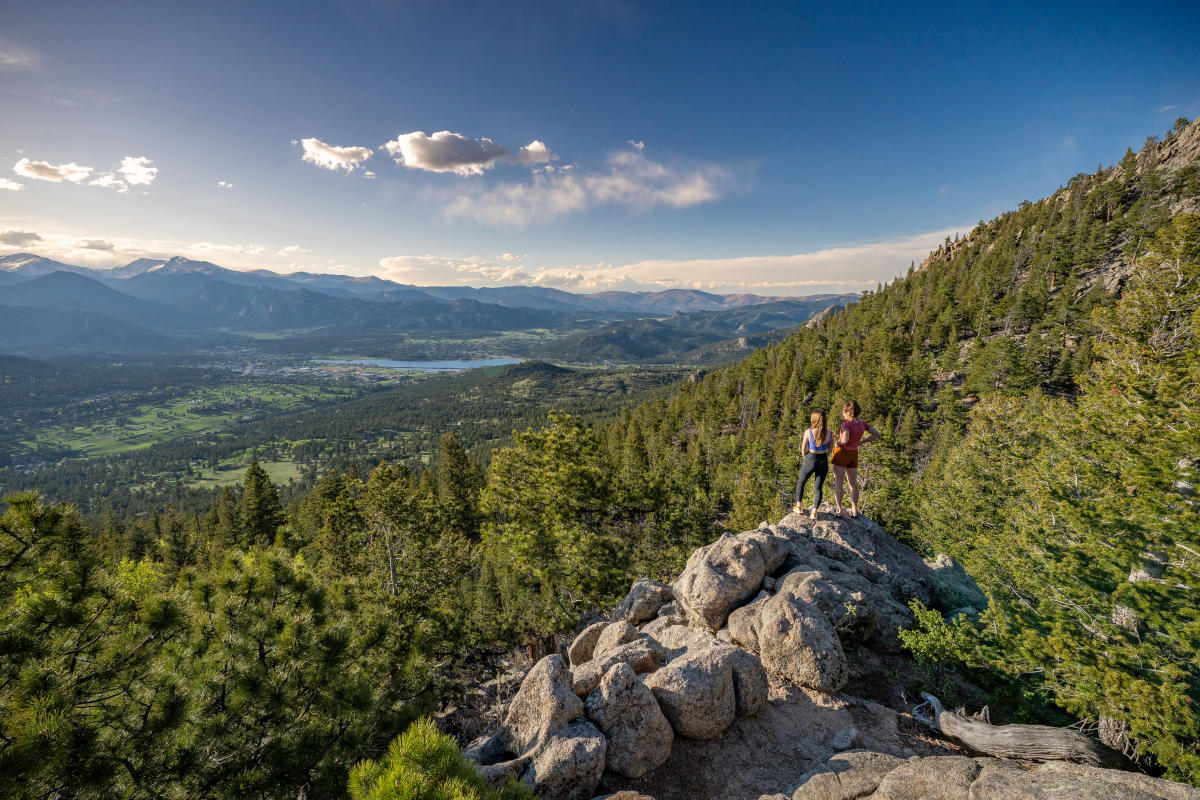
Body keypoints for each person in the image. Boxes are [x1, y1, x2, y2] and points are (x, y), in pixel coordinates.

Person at [830, 399, 879, 518]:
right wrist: (862, 442)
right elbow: (876, 434)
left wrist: (838, 443)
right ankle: (854, 509)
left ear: (848, 412)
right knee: (853, 484)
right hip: (854, 453)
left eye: (843, 412)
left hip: (842, 453)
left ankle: (839, 509)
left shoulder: (846, 424)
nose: (843, 414)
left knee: (839, 483)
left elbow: (845, 439)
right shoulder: (863, 424)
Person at [794, 410, 833, 520]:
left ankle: (799, 507)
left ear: (814, 419)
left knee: (801, 482)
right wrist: (824, 456)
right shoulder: (830, 433)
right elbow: (830, 450)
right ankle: (814, 512)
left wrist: (806, 459)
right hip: (823, 460)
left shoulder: (809, 432)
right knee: (818, 487)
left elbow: (803, 449)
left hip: (811, 458)